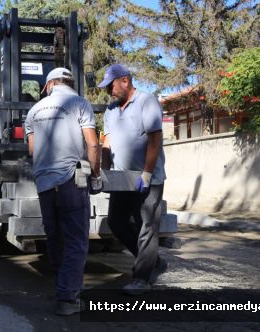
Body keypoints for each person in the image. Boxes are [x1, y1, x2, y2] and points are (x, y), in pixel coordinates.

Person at [25, 67, 100, 316]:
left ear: (48, 85)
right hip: (71, 181)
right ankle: (67, 298)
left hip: (45, 184)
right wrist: (96, 175)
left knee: (54, 238)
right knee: (76, 241)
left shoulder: (34, 110)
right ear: (69, 83)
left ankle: (62, 286)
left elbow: (33, 151)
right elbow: (92, 142)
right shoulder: (80, 103)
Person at [98, 64, 167, 295]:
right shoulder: (110, 110)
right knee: (116, 222)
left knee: (147, 226)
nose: (109, 91)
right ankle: (153, 261)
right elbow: (106, 144)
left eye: (111, 85)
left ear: (125, 80)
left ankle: (141, 279)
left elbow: (154, 139)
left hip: (148, 178)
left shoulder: (147, 101)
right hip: (122, 179)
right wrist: (104, 173)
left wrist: (147, 173)